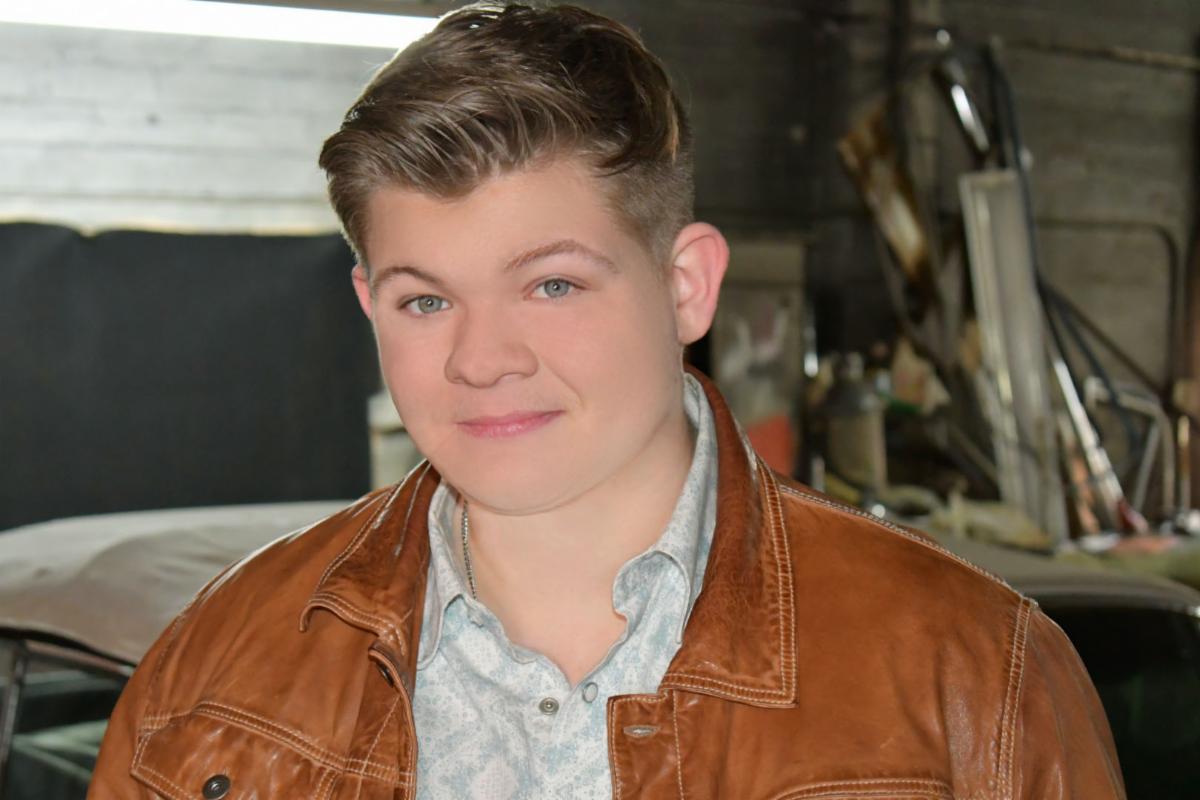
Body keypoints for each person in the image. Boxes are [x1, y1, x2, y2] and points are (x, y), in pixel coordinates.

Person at [89, 3, 1125, 798]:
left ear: (687, 286)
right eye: (425, 300)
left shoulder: (973, 678)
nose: (480, 360)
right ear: (369, 306)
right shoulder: (216, 670)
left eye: (552, 284)